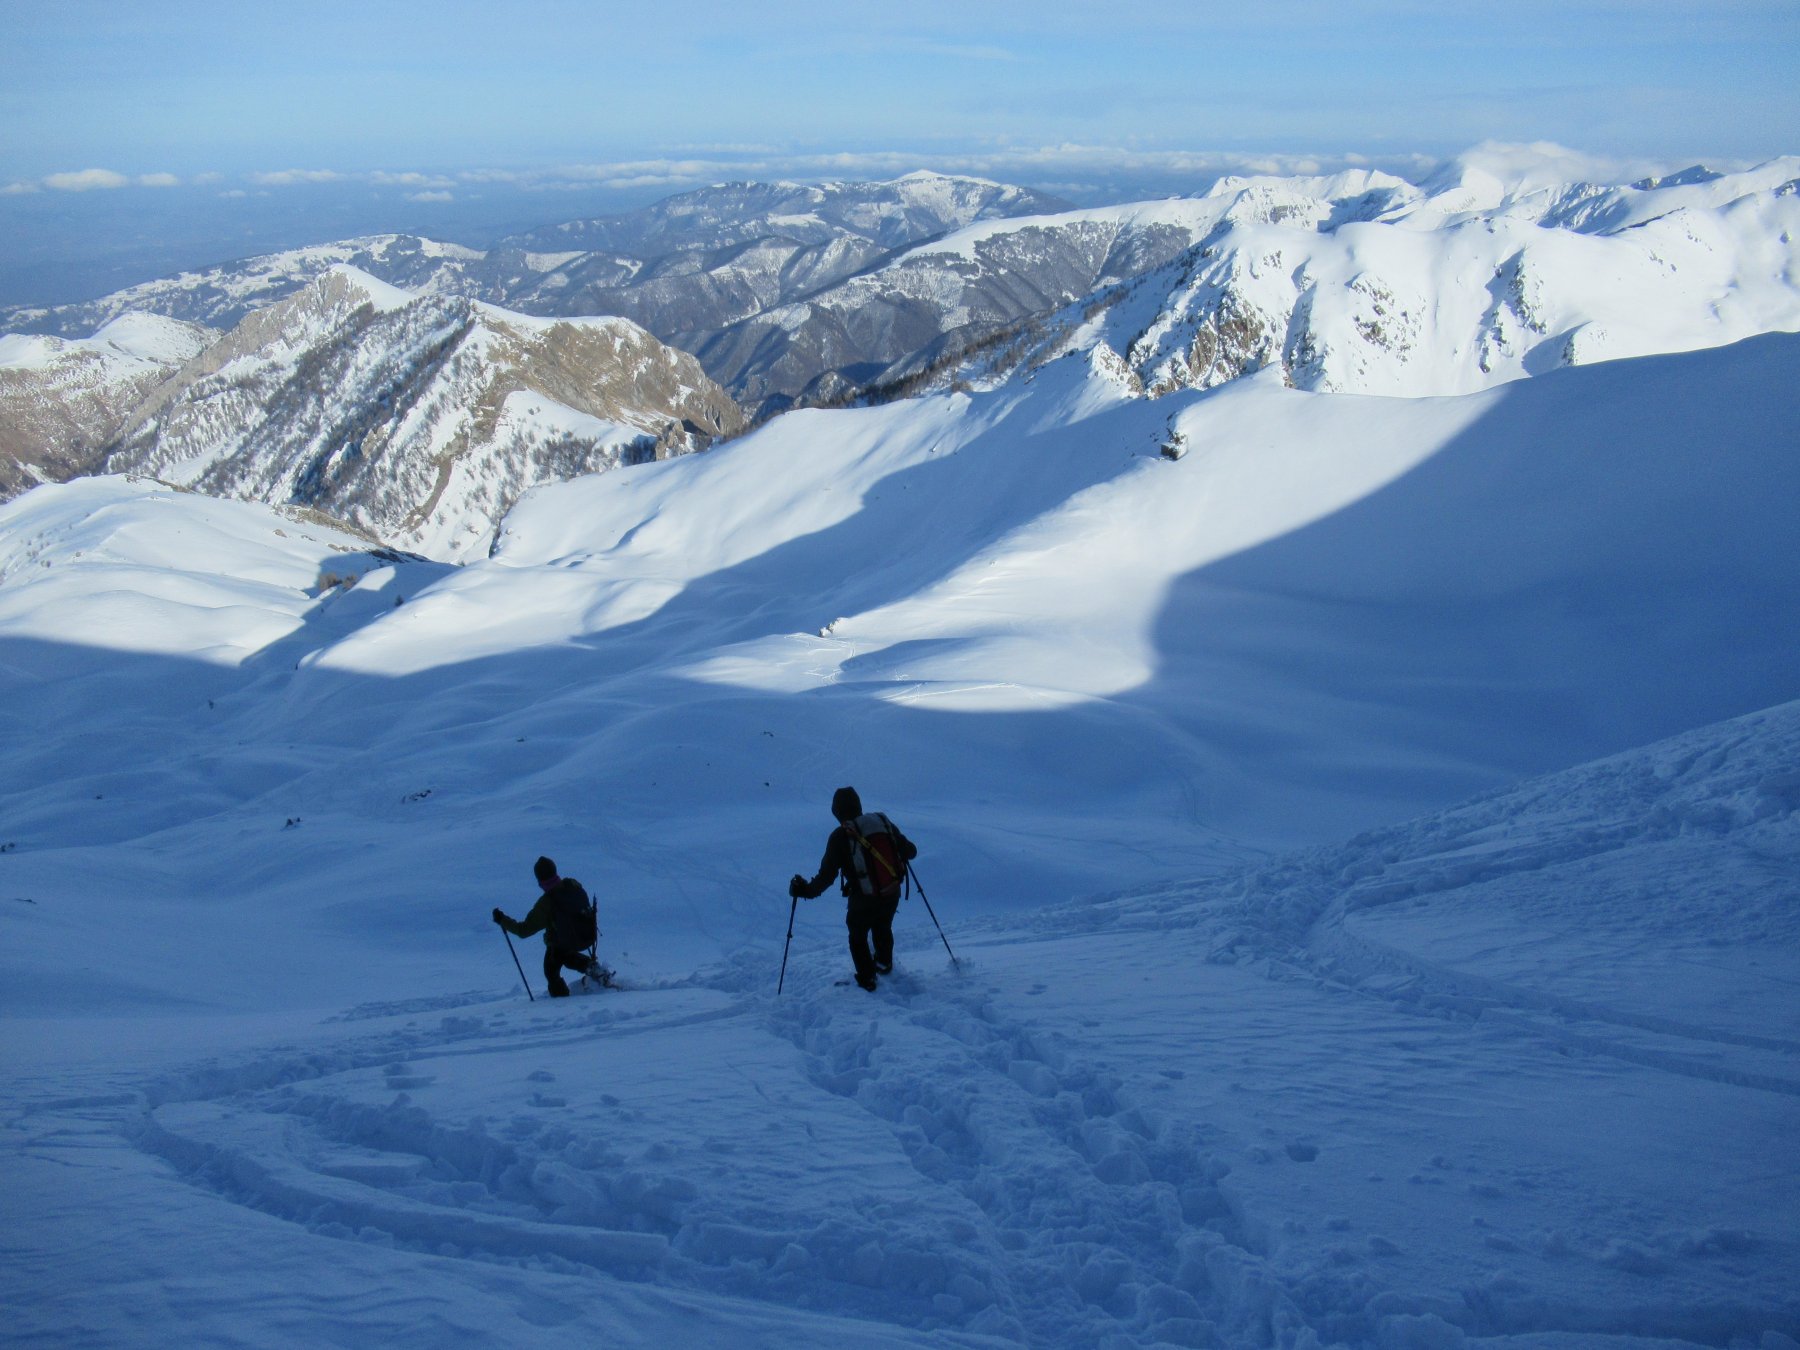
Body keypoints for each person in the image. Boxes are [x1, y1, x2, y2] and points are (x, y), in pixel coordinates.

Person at [789, 787, 917, 990]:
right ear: (858, 805)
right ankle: (884, 965)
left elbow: (826, 877)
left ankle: (867, 979)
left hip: (863, 899)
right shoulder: (881, 821)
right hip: (891, 892)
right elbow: (911, 851)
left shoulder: (840, 836)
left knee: (858, 936)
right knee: (883, 926)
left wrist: (804, 890)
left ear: (837, 812)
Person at [493, 855, 604, 998]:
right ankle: (593, 968)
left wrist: (503, 920)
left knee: (551, 970)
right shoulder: (573, 884)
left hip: (562, 941)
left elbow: (523, 930)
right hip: (584, 935)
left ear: (539, 881)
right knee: (567, 956)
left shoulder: (547, 903)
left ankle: (560, 1001)